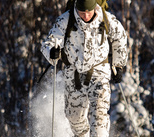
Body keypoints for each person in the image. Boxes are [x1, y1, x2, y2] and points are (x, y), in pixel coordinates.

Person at [40, 0, 127, 136]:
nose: (85, 16)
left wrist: (118, 64)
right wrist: (52, 52)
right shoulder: (66, 19)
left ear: (94, 8)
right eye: (82, 13)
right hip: (74, 74)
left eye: (88, 12)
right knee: (75, 119)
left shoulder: (106, 19)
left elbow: (120, 39)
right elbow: (49, 42)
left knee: (99, 115)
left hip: (99, 72)